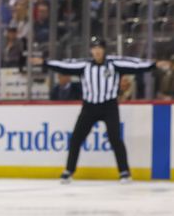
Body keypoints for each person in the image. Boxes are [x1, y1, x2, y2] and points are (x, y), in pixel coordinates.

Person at [45, 37, 154, 184]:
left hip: (109, 106)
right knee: (76, 138)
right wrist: (45, 63)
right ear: (91, 50)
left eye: (99, 48)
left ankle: (124, 172)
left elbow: (134, 65)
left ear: (104, 50)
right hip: (89, 107)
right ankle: (69, 170)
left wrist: (152, 65)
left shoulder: (114, 64)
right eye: (94, 48)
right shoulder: (84, 65)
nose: (96, 51)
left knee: (115, 138)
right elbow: (64, 66)